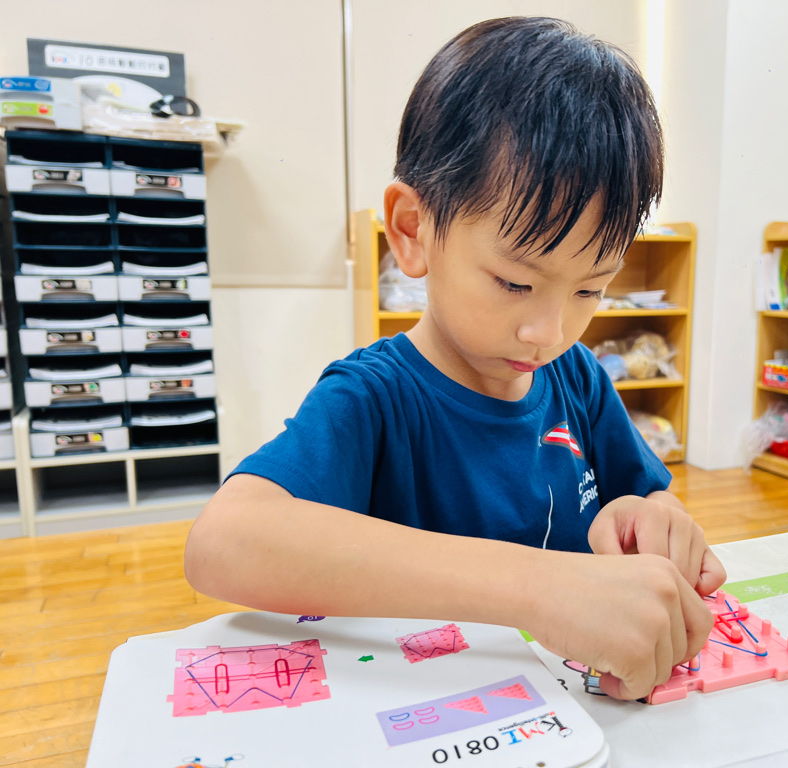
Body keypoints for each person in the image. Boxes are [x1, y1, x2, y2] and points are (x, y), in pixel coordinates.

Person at [185, 15, 726, 702]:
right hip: (429, 718)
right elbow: (223, 542)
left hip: (576, 717)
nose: (549, 331)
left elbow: (640, 495)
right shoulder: (374, 397)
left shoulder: (579, 380)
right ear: (413, 230)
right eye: (515, 283)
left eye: (590, 289)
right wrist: (538, 588)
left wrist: (655, 522)